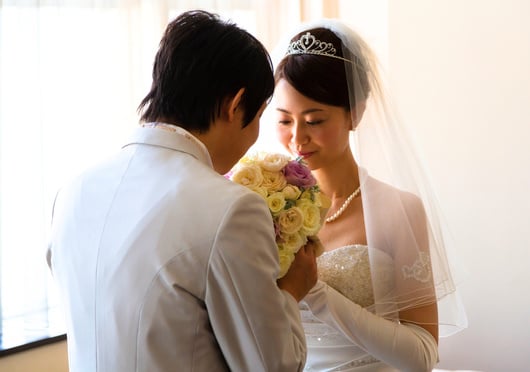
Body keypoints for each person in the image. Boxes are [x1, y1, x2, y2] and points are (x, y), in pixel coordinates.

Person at [46, 10, 318, 372]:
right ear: (235, 105)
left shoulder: (73, 191)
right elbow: (273, 364)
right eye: (260, 117)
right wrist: (291, 291)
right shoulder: (231, 209)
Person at [267, 19, 467, 371]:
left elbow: (422, 354)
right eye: (285, 121)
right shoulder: (265, 205)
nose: (297, 139)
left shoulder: (398, 210)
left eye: (314, 120)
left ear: (355, 114)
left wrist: (316, 294)